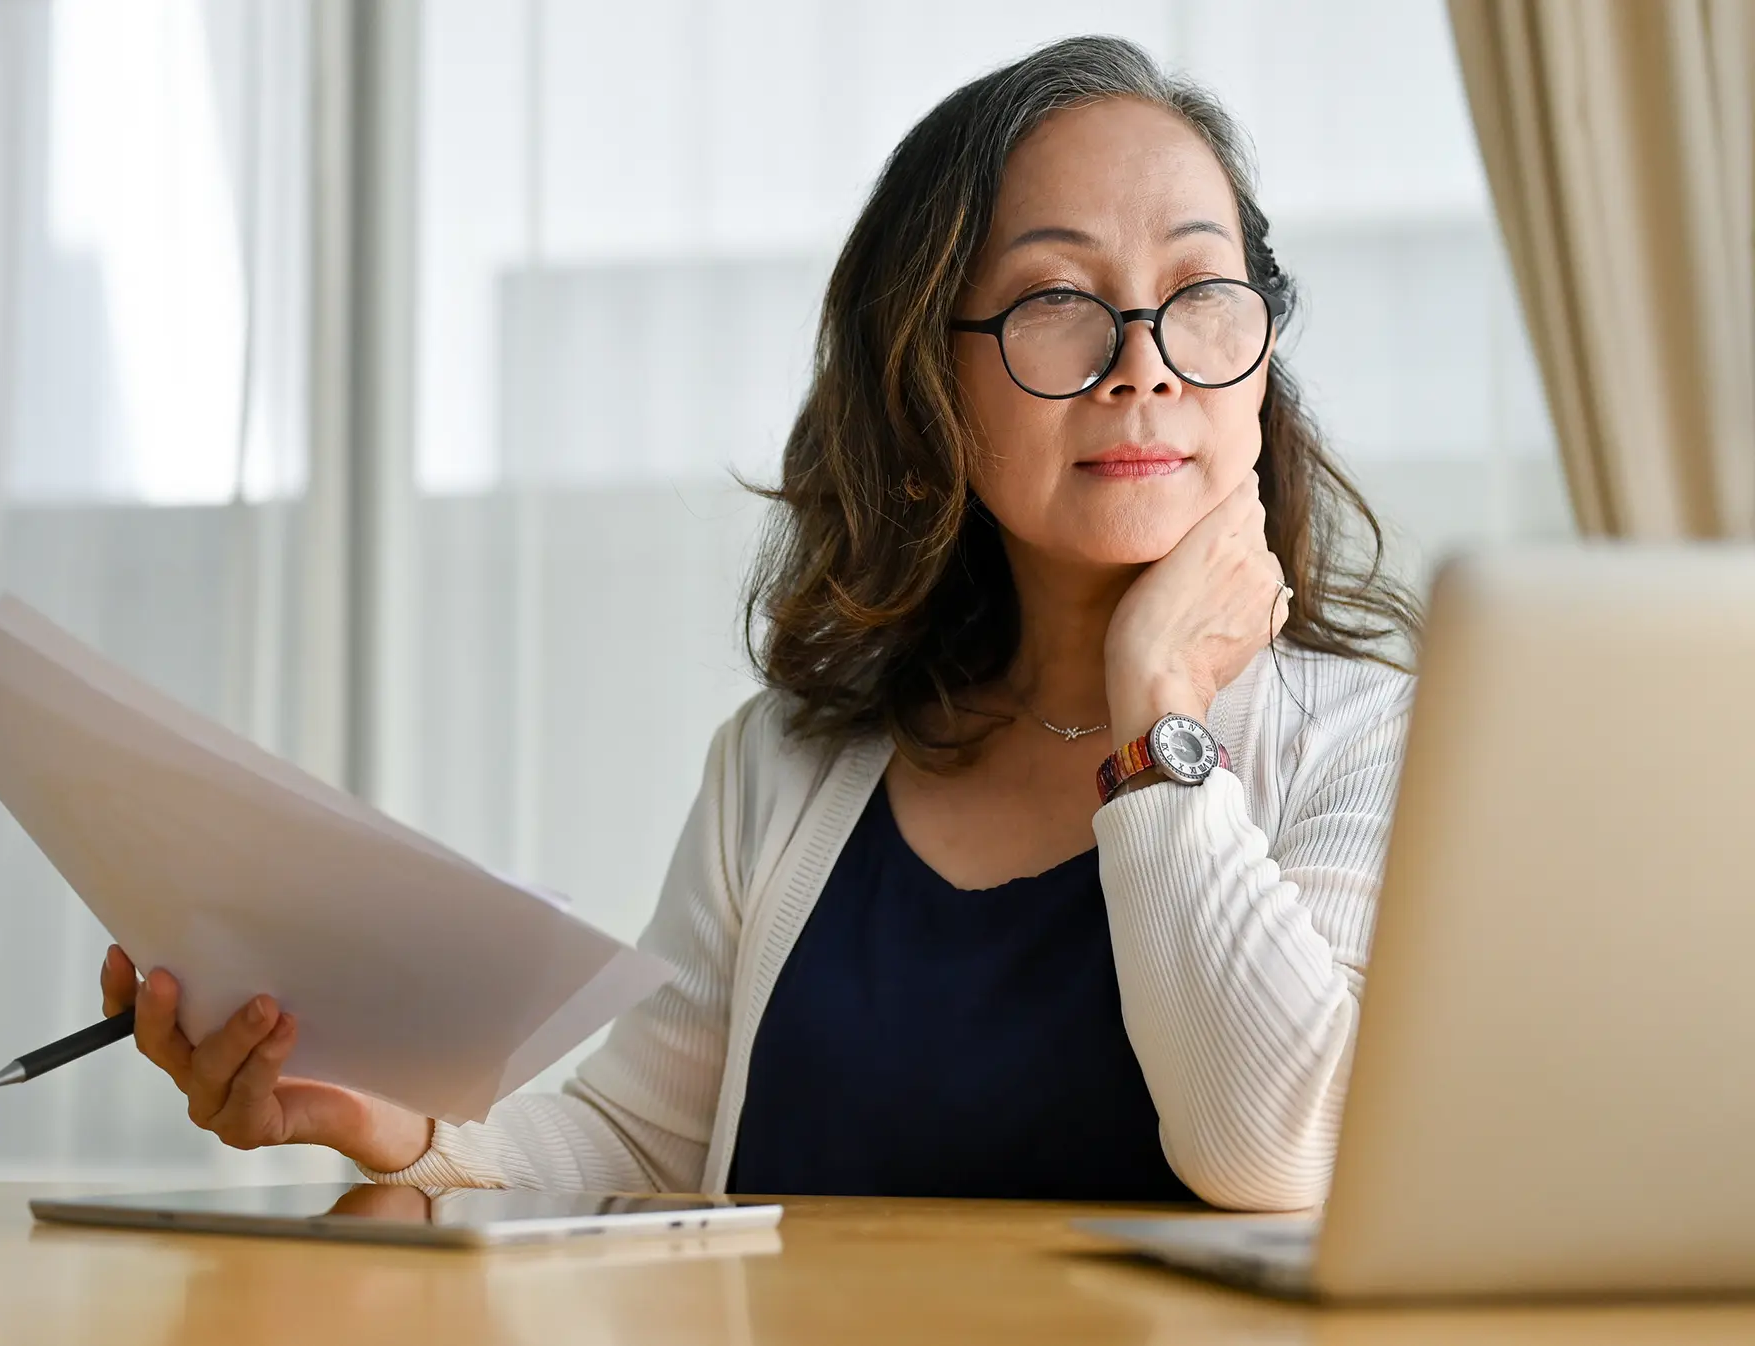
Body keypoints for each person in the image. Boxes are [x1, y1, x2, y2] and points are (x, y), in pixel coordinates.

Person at [98, 35, 1420, 1212]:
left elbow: (1276, 1151)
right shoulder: (781, 765)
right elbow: (637, 1139)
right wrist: (404, 1128)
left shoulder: (1369, 742)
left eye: (1200, 293)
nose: (1144, 358)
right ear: (930, 383)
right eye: (1058, 302)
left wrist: (1160, 714)